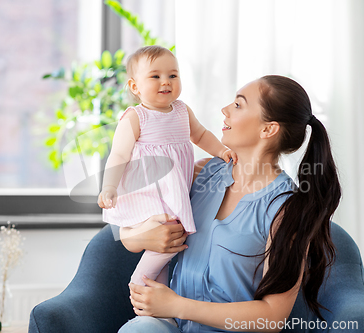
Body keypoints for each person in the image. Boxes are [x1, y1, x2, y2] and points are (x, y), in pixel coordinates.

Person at [117, 75, 342, 332]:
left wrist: (176, 305)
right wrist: (143, 237)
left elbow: (272, 317)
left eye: (238, 105)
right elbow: (127, 227)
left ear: (268, 129)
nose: (225, 110)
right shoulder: (203, 173)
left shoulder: (285, 208)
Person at [97, 45, 237, 289]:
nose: (166, 82)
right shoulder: (135, 117)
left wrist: (221, 151)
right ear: (134, 86)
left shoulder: (182, 110)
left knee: (167, 242)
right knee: (171, 233)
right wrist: (109, 186)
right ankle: (140, 282)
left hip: (173, 189)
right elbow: (118, 154)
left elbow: (201, 135)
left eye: (173, 75)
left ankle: (155, 304)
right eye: (155, 76)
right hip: (149, 190)